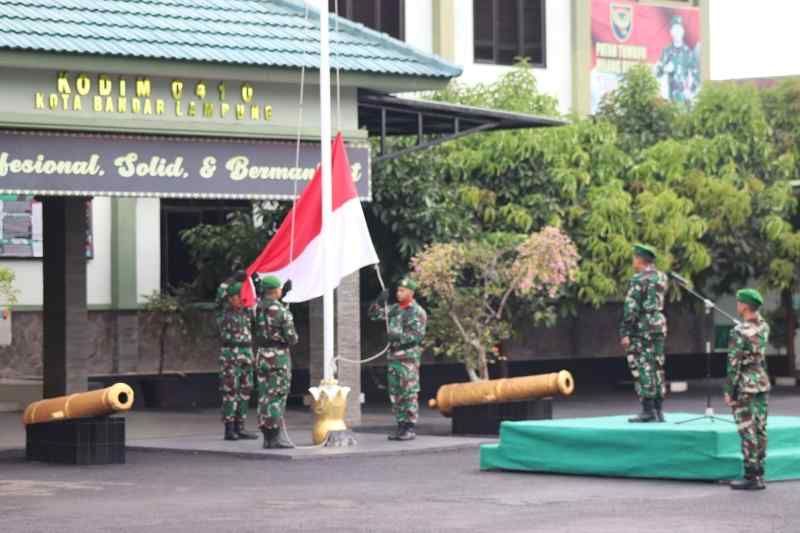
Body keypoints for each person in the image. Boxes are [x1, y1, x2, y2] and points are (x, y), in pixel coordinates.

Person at [368, 278, 427, 441]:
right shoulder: (394, 309)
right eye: (398, 290)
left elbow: (418, 336)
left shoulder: (417, 311)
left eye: (402, 290)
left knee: (409, 392)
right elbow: (373, 315)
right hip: (393, 357)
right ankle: (400, 425)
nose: (398, 293)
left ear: (411, 293)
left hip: (408, 358)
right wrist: (379, 301)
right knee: (396, 393)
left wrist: (398, 337)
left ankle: (409, 426)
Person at [725, 288, 770, 490]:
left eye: (738, 302)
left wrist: (729, 391)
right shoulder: (764, 327)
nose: (737, 305)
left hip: (744, 383)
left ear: (744, 305)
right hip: (761, 381)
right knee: (760, 427)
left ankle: (751, 476)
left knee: (747, 429)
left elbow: (733, 364)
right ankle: (760, 472)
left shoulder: (738, 332)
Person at [620, 244, 668, 423]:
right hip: (658, 323)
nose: (633, 261)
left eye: (634, 257)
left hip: (642, 327)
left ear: (640, 259)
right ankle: (659, 409)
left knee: (643, 365)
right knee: (657, 364)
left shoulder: (639, 279)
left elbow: (631, 308)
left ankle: (648, 410)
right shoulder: (661, 277)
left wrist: (625, 331)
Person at [253, 275, 298, 449]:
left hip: (262, 354)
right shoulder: (281, 311)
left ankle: (267, 436)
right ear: (275, 290)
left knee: (265, 396)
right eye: (279, 288)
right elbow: (292, 338)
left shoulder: (258, 307)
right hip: (278, 357)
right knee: (277, 396)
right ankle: (275, 436)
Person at [218, 282, 258, 441]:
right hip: (230, 356)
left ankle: (240, 426)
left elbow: (257, 302)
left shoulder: (247, 313)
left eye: (243, 297)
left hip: (246, 355)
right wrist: (232, 280)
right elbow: (220, 295)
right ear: (229, 298)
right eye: (238, 297)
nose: (241, 300)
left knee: (245, 391)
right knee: (230, 392)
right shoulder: (223, 313)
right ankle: (229, 428)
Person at [655, 15, 700, 104]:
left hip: (685, 99)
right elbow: (657, 72)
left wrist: (691, 91)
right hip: (670, 99)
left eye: (679, 29)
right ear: (671, 32)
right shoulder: (667, 51)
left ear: (683, 31)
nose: (677, 32)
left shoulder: (688, 53)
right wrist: (665, 69)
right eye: (675, 30)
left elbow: (696, 76)